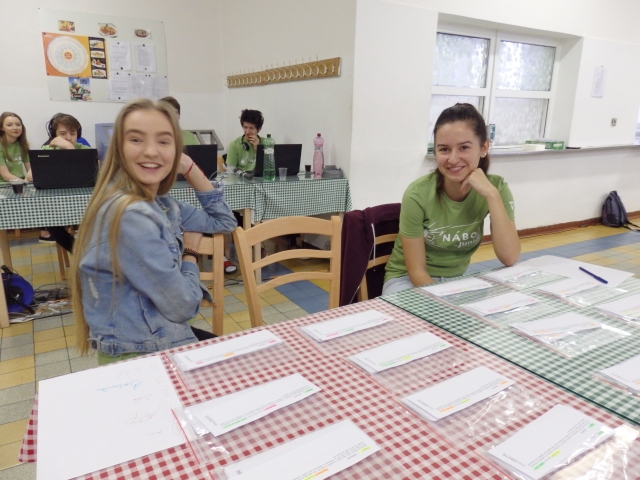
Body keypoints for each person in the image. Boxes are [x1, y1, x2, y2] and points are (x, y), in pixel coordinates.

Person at [71, 99, 237, 364]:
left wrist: (190, 168)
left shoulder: (161, 203)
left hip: (163, 335)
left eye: (164, 141)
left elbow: (225, 221)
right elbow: (183, 306)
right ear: (119, 149)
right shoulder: (132, 215)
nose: (151, 151)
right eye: (136, 139)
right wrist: (190, 254)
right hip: (141, 353)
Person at [383, 103, 520, 295]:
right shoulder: (417, 194)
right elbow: (416, 272)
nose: (453, 159)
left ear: (483, 148)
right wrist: (446, 302)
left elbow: (509, 257)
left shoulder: (496, 189)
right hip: (406, 280)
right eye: (444, 149)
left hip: (456, 280)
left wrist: (492, 195)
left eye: (464, 147)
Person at [39, 113, 91, 246]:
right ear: (54, 134)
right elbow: (29, 176)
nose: (68, 137)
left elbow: (93, 172)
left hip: (84, 201)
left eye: (73, 133)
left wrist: (70, 149)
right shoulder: (47, 149)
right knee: (50, 221)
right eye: (63, 133)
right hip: (57, 202)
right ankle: (77, 251)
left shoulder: (86, 150)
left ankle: (86, 250)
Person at [225, 109, 265, 174]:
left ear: (259, 129)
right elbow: (230, 171)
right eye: (245, 127)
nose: (247, 131)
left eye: (251, 128)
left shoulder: (266, 143)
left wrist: (258, 150)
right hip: (241, 179)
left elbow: (269, 169)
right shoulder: (234, 145)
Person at [0, 112, 32, 185]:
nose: (15, 128)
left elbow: (30, 170)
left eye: (18, 124)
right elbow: (5, 176)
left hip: (20, 183)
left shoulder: (22, 144)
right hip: (3, 185)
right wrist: (24, 182)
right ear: (2, 128)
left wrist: (28, 179)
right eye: (9, 125)